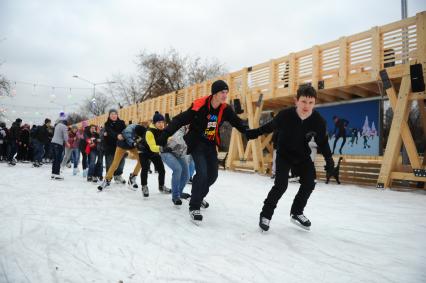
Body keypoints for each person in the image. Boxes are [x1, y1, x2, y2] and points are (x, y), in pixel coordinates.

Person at [246, 85, 335, 231]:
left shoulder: (318, 121)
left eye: (311, 102)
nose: (307, 106)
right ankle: (266, 215)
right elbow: (270, 127)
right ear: (296, 101)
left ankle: (297, 212)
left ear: (315, 103)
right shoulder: (285, 115)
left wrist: (329, 160)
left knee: (309, 183)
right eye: (304, 102)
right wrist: (255, 133)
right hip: (284, 155)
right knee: (281, 185)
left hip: (302, 156)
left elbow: (323, 142)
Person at [157, 80, 248, 223]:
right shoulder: (200, 106)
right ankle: (194, 206)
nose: (225, 95)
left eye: (226, 92)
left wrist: (250, 130)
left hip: (210, 145)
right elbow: (179, 120)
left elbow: (238, 122)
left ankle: (197, 197)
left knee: (213, 175)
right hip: (197, 143)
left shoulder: (225, 109)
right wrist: (165, 134)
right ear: (215, 93)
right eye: (222, 92)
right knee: (202, 172)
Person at [97, 123, 145, 191]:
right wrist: (135, 143)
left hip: (132, 147)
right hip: (122, 146)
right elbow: (128, 138)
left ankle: (132, 177)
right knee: (115, 163)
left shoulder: (143, 130)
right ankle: (107, 180)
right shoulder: (129, 130)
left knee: (142, 160)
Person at [138, 112, 170, 197]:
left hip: (153, 152)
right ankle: (144, 186)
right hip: (143, 151)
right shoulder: (149, 132)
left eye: (162, 122)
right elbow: (152, 147)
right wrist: (163, 149)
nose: (161, 124)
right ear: (154, 123)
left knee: (161, 170)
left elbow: (167, 139)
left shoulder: (163, 130)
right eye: (159, 122)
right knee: (145, 168)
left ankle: (161, 186)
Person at [160, 126, 190, 205]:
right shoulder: (179, 130)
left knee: (186, 175)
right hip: (167, 151)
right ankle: (175, 196)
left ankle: (179, 192)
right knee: (178, 169)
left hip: (179, 154)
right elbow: (178, 139)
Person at [103, 109, 127, 184]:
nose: (113, 115)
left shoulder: (122, 122)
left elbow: (125, 131)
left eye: (115, 114)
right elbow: (110, 132)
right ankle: (108, 178)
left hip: (120, 146)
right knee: (109, 163)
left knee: (121, 162)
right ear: (109, 116)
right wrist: (117, 135)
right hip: (110, 146)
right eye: (112, 114)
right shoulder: (107, 124)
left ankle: (118, 175)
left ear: (117, 115)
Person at [50, 113, 69, 180]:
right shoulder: (64, 127)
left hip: (53, 142)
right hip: (58, 144)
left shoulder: (57, 125)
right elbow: (65, 137)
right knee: (58, 159)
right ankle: (57, 174)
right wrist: (67, 142)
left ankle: (53, 173)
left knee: (55, 159)